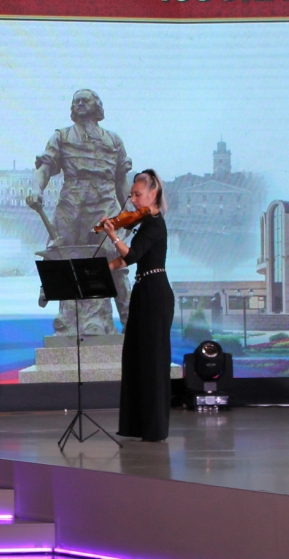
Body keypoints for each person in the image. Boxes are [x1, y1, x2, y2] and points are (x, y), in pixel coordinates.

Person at [27, 89, 132, 334]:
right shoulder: (62, 136)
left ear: (97, 106)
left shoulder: (114, 140)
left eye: (86, 100)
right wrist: (36, 190)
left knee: (113, 259)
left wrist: (129, 209)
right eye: (76, 101)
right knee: (61, 252)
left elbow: (121, 180)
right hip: (72, 201)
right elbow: (44, 168)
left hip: (105, 201)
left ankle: (129, 318)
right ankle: (62, 310)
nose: (80, 103)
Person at [102, 170, 174, 442]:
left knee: (152, 360)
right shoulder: (144, 224)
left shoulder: (155, 224)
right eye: (131, 194)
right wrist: (100, 269)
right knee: (135, 357)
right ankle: (136, 425)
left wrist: (113, 235)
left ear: (153, 194)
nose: (132, 199)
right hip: (144, 291)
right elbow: (126, 260)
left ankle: (154, 428)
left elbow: (131, 254)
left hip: (155, 293)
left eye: (137, 194)